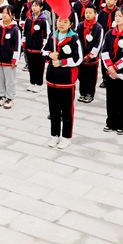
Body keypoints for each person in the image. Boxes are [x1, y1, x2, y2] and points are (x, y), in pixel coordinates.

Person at [45, 15, 83, 149]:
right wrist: (50, 55)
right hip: (52, 78)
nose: (61, 24)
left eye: (65, 21)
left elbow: (78, 59)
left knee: (67, 110)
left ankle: (66, 136)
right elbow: (43, 51)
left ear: (71, 23)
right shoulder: (52, 35)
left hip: (66, 79)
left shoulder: (74, 38)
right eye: (59, 21)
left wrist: (61, 62)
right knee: (53, 109)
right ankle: (54, 134)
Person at [0, 5, 21, 109]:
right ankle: (1, 96)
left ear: (12, 15)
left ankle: (10, 97)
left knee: (10, 80)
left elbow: (17, 46)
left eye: (7, 13)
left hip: (8, 60)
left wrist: (15, 59)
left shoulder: (15, 29)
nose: (4, 15)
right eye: (3, 13)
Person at [23, 0, 51, 94]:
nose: (34, 8)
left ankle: (39, 84)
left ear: (41, 7)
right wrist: (24, 42)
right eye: (33, 6)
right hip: (29, 47)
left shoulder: (43, 20)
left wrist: (44, 46)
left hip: (39, 48)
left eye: (36, 6)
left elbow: (47, 34)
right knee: (31, 66)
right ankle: (32, 82)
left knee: (39, 67)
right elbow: (25, 32)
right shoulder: (28, 19)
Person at [77, 6, 103, 103]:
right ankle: (82, 93)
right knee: (82, 76)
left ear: (95, 14)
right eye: (86, 12)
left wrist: (90, 55)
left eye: (90, 13)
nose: (88, 14)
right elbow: (77, 40)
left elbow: (98, 43)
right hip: (81, 57)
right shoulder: (80, 26)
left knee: (91, 77)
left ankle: (90, 94)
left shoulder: (98, 27)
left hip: (92, 59)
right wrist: (80, 54)